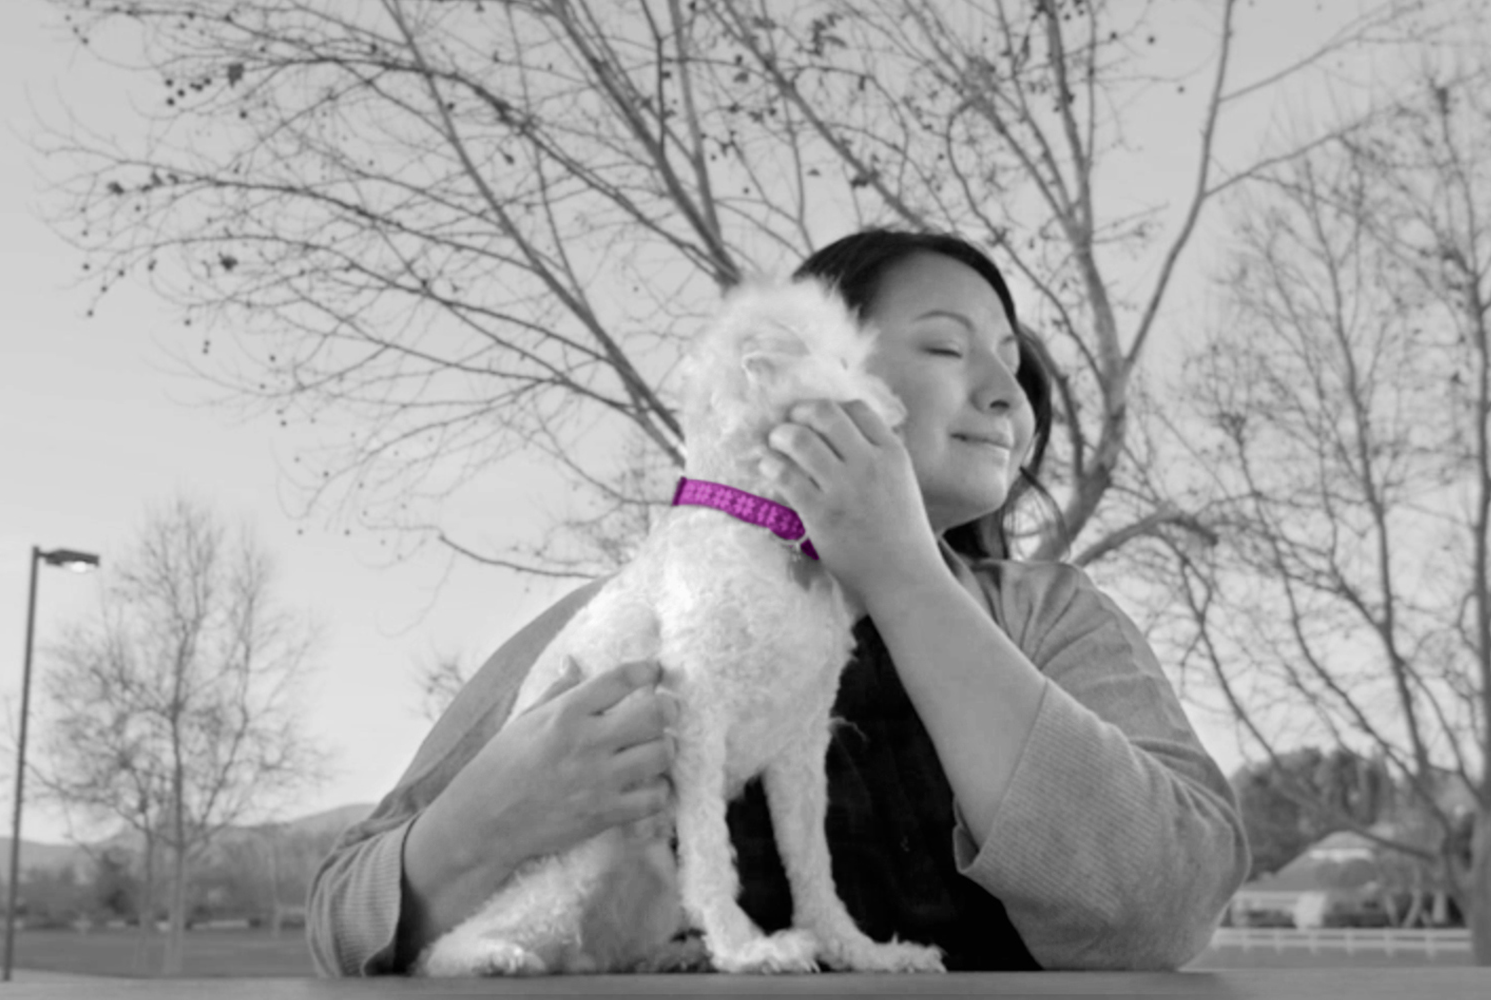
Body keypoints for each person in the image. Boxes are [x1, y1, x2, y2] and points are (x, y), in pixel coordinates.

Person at [307, 229, 1247, 975]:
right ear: (801, 372)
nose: (1008, 392)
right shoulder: (629, 619)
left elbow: (1166, 902)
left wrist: (902, 573)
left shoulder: (1052, 618)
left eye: (1013, 359)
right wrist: (486, 817)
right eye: (947, 347)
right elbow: (341, 915)